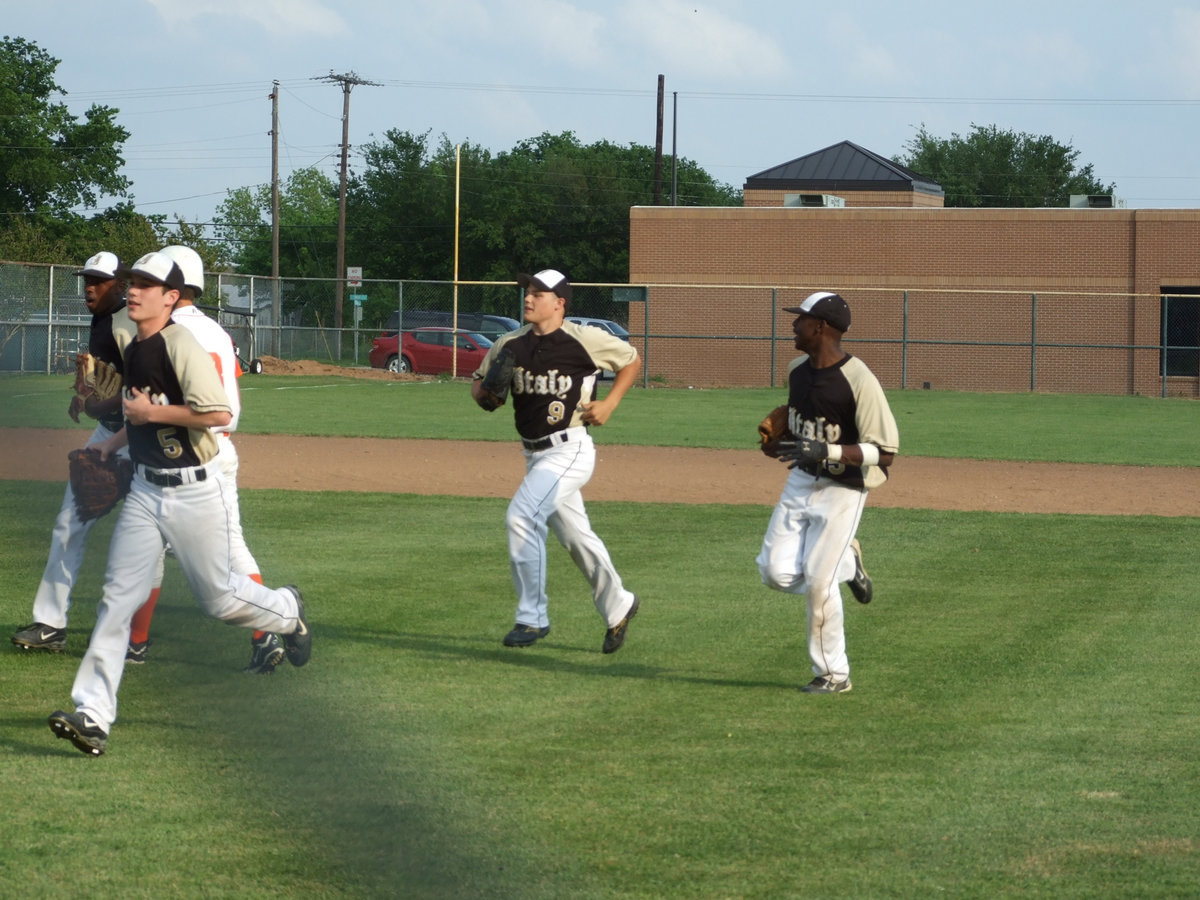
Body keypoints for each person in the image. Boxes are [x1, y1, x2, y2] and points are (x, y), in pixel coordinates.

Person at [47, 251, 310, 757]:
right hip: (146, 489)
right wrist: (113, 441)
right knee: (116, 599)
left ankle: (288, 609)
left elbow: (219, 412)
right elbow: (138, 412)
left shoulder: (182, 343)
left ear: (172, 297)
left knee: (219, 600)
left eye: (147, 284)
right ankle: (93, 714)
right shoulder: (134, 342)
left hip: (196, 487)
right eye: (134, 282)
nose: (135, 290)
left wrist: (150, 412)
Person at [124, 244, 285, 674]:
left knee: (149, 552)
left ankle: (136, 642)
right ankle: (264, 632)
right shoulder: (217, 330)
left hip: (181, 446)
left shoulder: (162, 330)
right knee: (232, 550)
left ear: (170, 289)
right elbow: (229, 390)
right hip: (220, 448)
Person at [470, 269, 641, 653]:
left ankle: (532, 618)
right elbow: (479, 387)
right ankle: (620, 605)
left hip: (571, 448)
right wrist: (486, 394)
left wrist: (610, 403)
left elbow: (631, 360)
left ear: (559, 303)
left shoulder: (584, 340)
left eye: (538, 293)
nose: (528, 298)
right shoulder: (509, 343)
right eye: (527, 292)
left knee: (521, 515)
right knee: (578, 539)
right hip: (533, 454)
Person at [756, 291, 899, 694]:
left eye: (801, 319)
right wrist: (778, 444)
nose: (794, 325)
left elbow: (885, 453)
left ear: (820, 328)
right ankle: (849, 565)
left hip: (845, 488)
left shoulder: (860, 380)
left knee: (819, 583)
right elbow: (800, 429)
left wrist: (828, 450)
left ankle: (834, 675)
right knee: (773, 572)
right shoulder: (796, 370)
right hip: (801, 480)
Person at [12, 251, 136, 652]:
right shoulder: (101, 318)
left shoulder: (127, 324)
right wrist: (84, 394)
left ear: (119, 284)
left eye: (98, 280)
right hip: (108, 433)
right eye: (87, 279)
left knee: (174, 538)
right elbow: (104, 378)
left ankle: (262, 614)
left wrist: (102, 405)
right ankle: (50, 624)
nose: (90, 287)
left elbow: (143, 389)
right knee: (69, 521)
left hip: (140, 440)